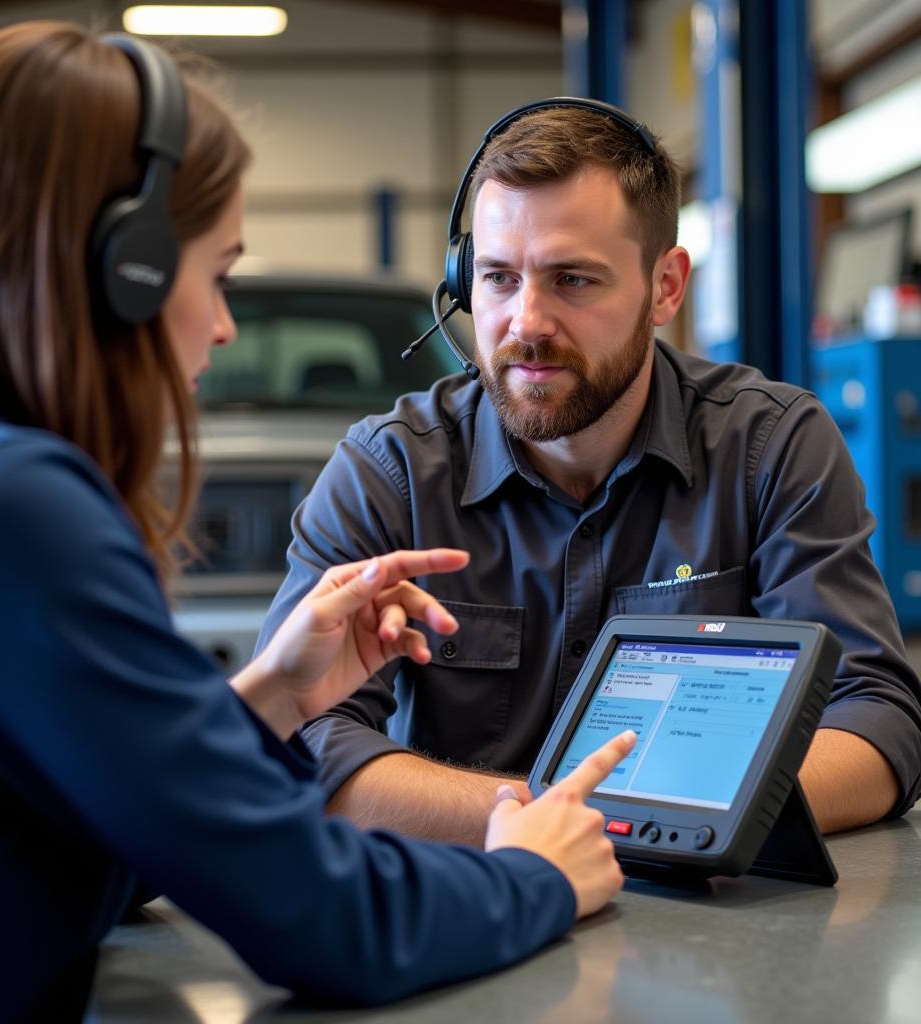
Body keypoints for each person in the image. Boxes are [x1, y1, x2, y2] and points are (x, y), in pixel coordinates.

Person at [0, 24, 642, 1022]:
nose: (221, 325)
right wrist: (533, 871)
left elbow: (112, 825)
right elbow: (323, 917)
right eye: (218, 273)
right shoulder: (5, 507)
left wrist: (271, 696)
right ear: (128, 270)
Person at [257, 98, 921, 845]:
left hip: (715, 926)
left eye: (572, 280)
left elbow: (875, 716)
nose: (527, 323)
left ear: (666, 287)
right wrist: (563, 821)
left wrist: (643, 827)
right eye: (500, 279)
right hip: (469, 909)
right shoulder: (390, 472)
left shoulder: (770, 448)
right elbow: (302, 740)